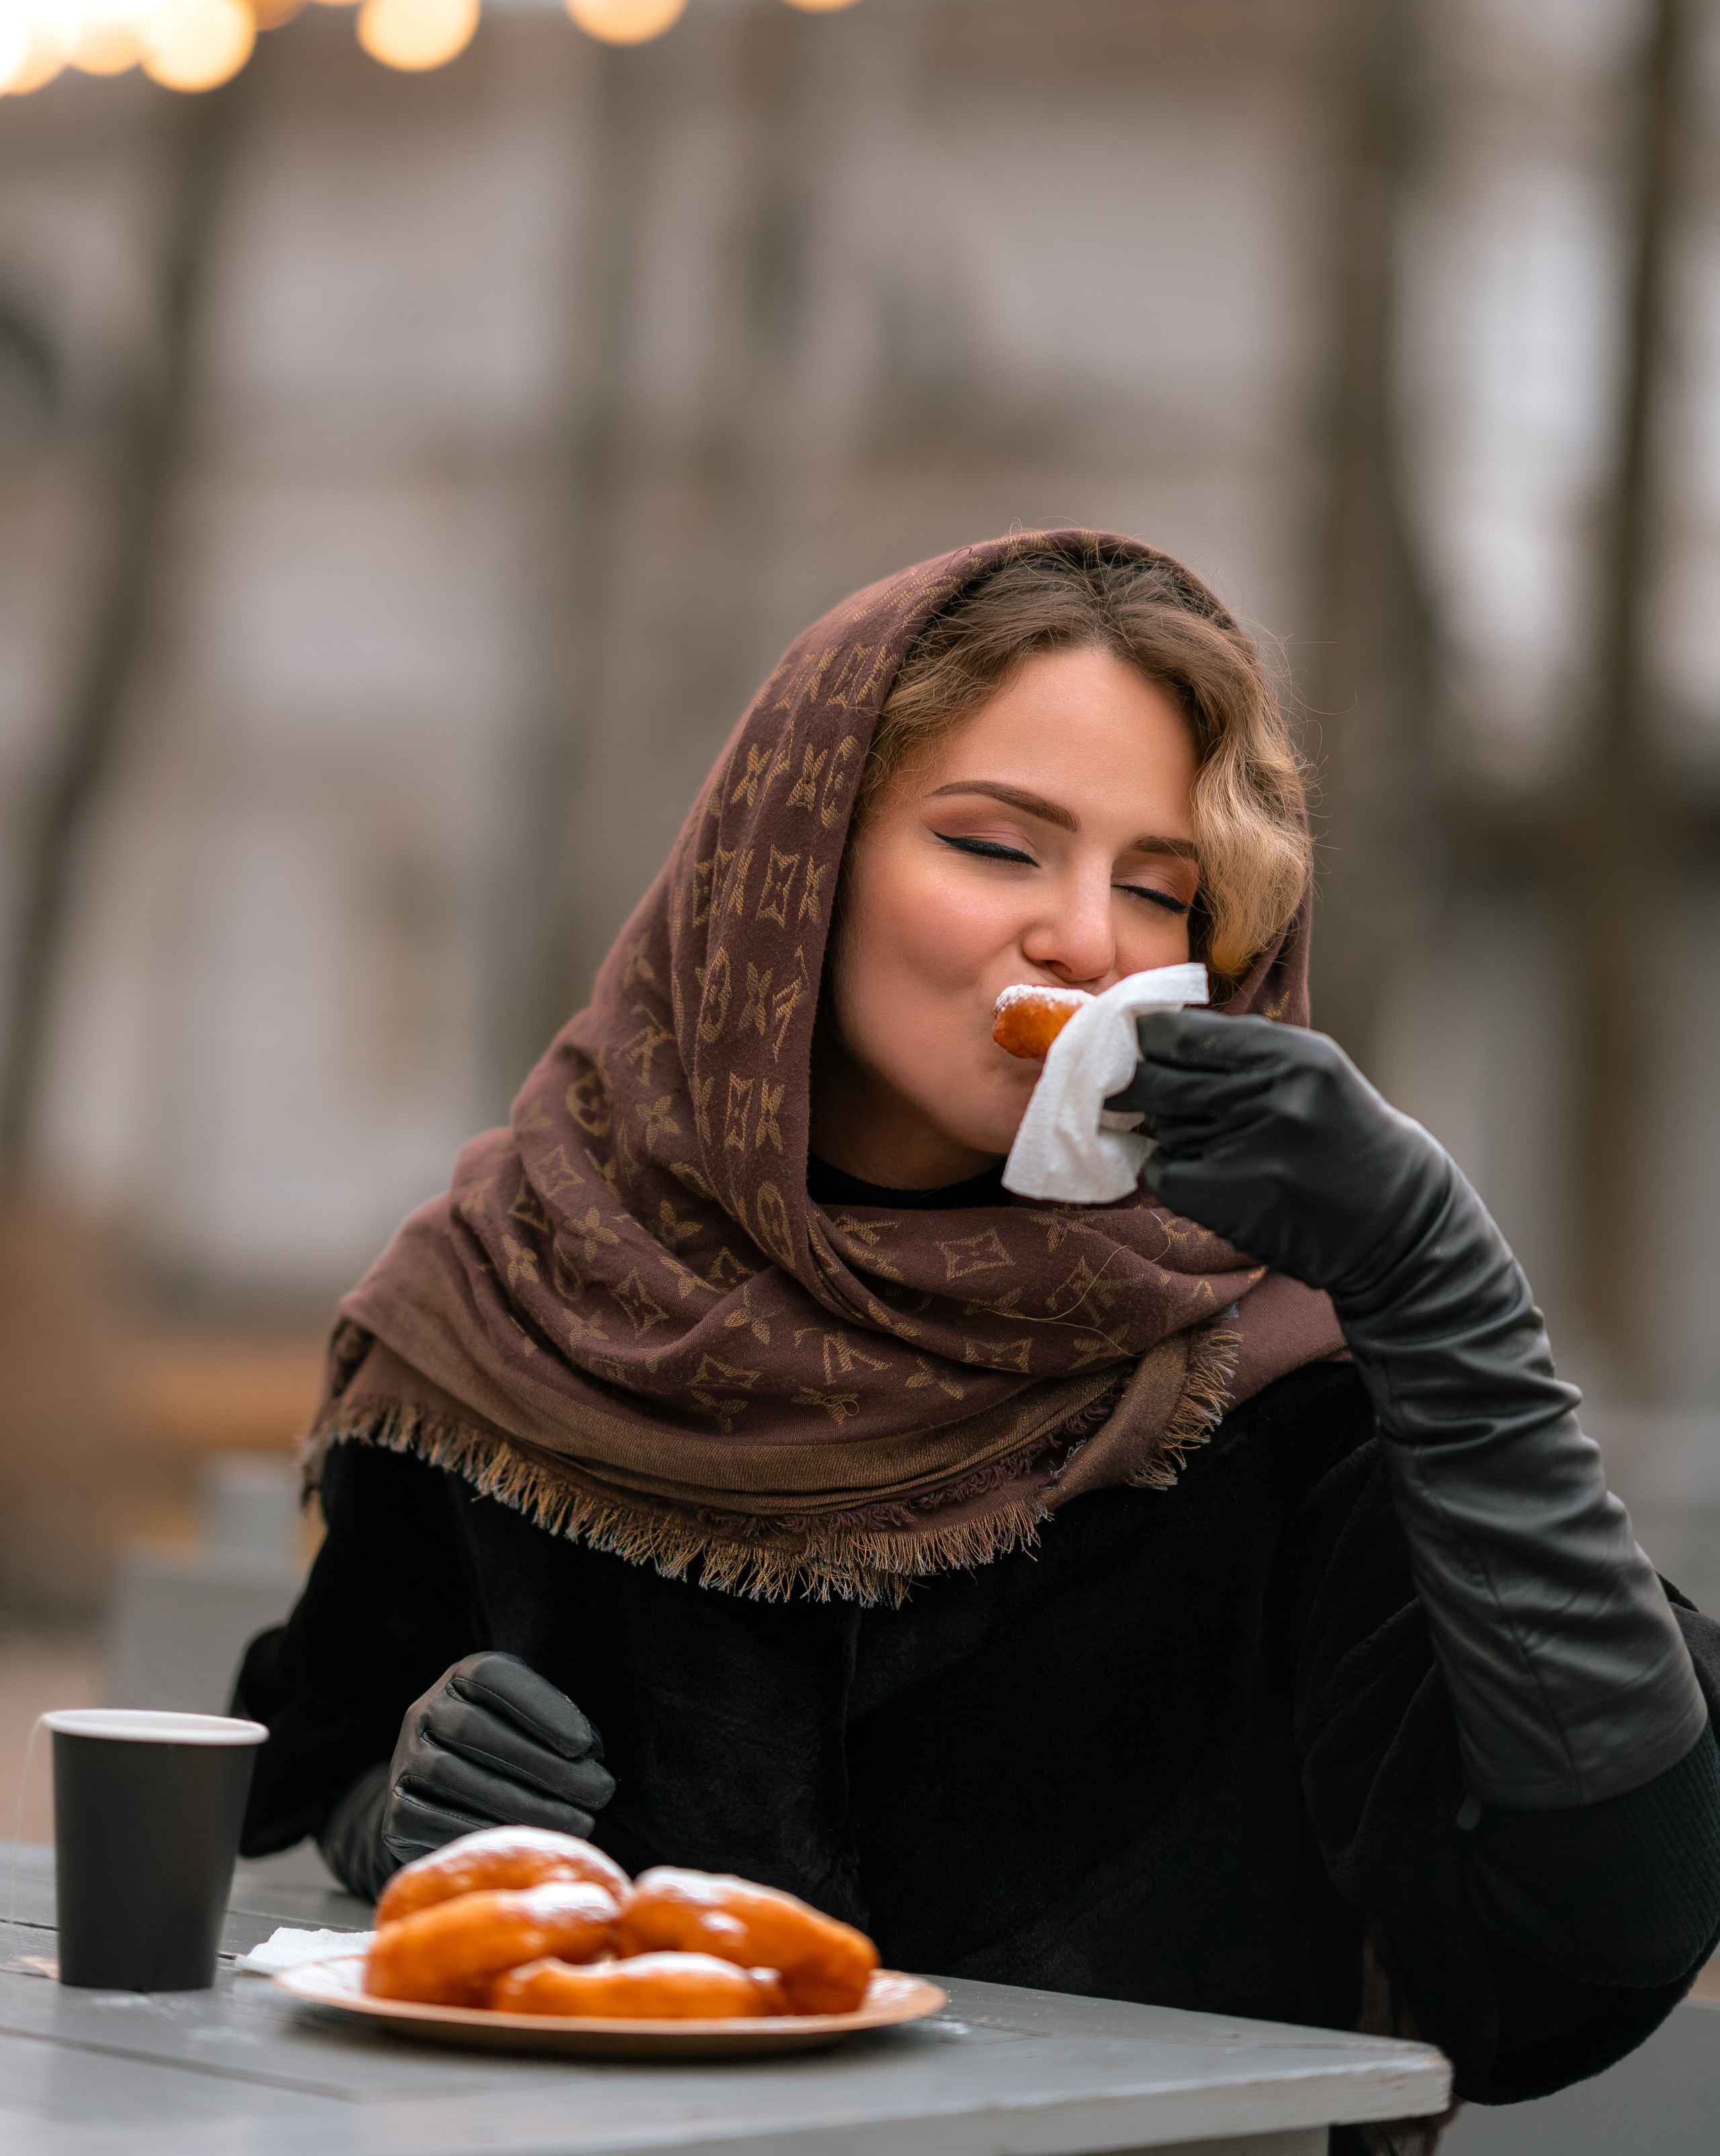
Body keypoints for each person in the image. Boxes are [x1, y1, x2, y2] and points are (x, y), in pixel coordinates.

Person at [236, 532, 1720, 2152]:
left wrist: (1438, 1288)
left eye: (1156, 887)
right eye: (995, 846)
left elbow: (1601, 1937)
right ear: (793, 870)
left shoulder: (1286, 1375)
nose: (1085, 939)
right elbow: (323, 1768)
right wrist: (414, 1824)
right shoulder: (530, 1283)